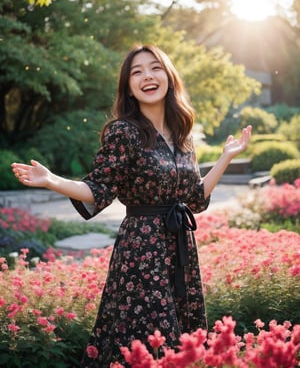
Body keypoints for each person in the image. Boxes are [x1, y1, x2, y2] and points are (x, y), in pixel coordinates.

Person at [11, 44, 252, 368]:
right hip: (141, 252)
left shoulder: (182, 134)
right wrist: (53, 179)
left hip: (178, 250)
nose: (147, 76)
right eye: (137, 72)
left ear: (168, 76)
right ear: (128, 87)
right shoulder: (124, 132)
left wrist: (226, 157)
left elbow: (194, 198)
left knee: (181, 341)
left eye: (155, 68)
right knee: (151, 340)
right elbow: (98, 188)